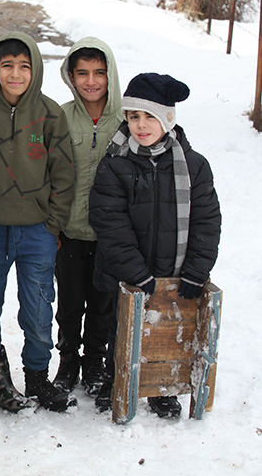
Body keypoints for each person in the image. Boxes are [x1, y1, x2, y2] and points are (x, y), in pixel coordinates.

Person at [89, 73, 221, 417]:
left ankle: (161, 385)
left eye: (150, 116)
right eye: (133, 116)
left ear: (168, 119)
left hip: (173, 271)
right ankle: (114, 377)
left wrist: (195, 272)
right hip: (126, 273)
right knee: (120, 328)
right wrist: (136, 273)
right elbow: (109, 222)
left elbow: (207, 222)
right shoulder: (115, 163)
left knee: (166, 328)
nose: (141, 125)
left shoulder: (194, 166)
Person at [0, 31, 76, 413]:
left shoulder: (50, 112)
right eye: (7, 65)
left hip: (36, 231)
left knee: (39, 308)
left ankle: (38, 376)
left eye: (24, 66)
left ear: (35, 69)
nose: (15, 74)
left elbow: (64, 173)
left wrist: (53, 224)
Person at [52, 38, 123, 398]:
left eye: (99, 72)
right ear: (71, 76)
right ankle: (68, 360)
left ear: (110, 74)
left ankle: (95, 360)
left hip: (110, 236)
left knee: (102, 302)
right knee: (68, 302)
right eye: (82, 73)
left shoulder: (127, 119)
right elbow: (48, 171)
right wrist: (54, 223)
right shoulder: (61, 116)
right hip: (69, 230)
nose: (91, 81)